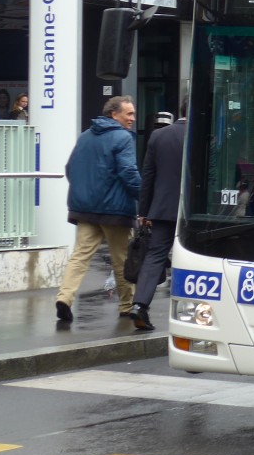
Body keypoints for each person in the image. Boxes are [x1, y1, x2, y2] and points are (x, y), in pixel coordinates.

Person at [55, 95, 140, 323]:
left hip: (86, 209)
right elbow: (129, 173)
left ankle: (64, 297)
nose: (133, 118)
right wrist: (144, 198)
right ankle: (126, 305)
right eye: (129, 113)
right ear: (114, 114)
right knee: (121, 260)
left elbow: (70, 168)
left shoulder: (85, 136)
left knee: (80, 256)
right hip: (115, 210)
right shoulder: (123, 137)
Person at [131, 97, 188, 331]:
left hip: (162, 208)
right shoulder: (204, 136)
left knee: (155, 257)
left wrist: (143, 212)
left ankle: (139, 305)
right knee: (194, 259)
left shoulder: (158, 136)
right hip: (190, 212)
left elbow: (148, 178)